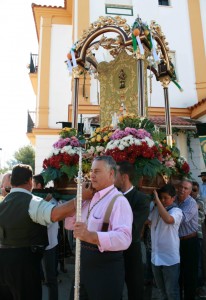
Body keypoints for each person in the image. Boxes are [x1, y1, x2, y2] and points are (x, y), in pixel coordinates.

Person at [0, 163, 88, 300]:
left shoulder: (2, 204)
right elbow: (55, 214)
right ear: (30, 182)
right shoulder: (32, 202)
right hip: (25, 267)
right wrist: (82, 197)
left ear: (11, 182)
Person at [65, 156, 133, 300]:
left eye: (97, 171)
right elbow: (69, 224)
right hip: (83, 269)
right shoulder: (88, 199)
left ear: (111, 174)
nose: (92, 175)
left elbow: (124, 238)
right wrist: (80, 197)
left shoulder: (119, 201)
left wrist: (91, 236)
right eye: (91, 171)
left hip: (105, 272)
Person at [114, 161, 150, 300]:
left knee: (135, 290)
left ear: (124, 177)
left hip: (131, 250)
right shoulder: (112, 196)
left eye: (115, 174)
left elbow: (133, 226)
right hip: (113, 252)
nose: (112, 177)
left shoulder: (141, 199)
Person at [149, 184, 183, 300]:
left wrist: (157, 200)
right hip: (156, 257)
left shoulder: (177, 211)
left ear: (173, 198)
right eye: (161, 197)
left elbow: (168, 219)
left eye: (165, 198)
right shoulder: (154, 209)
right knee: (161, 292)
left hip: (170, 259)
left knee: (171, 292)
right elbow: (145, 221)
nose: (163, 200)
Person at [33, 174, 59, 300]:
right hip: (38, 245)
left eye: (33, 184)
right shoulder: (38, 201)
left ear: (38, 186)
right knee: (37, 278)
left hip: (49, 246)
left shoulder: (51, 201)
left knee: (51, 279)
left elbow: (47, 222)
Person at [176, 179, 199, 300]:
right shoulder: (173, 199)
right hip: (176, 242)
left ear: (190, 191)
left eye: (186, 188)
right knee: (177, 274)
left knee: (190, 274)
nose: (182, 190)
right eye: (181, 186)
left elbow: (180, 219)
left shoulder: (191, 203)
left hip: (190, 242)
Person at [191, 181, 206, 297]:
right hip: (185, 237)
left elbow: (197, 208)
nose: (192, 193)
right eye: (191, 190)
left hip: (197, 236)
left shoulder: (201, 200)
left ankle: (200, 287)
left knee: (198, 263)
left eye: (194, 190)